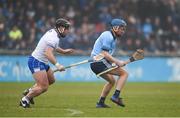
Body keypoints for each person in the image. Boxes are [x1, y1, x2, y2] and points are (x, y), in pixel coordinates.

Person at [19, 18, 74, 108]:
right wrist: (58, 65)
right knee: (44, 87)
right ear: (61, 28)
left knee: (51, 80)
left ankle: (31, 91)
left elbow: (53, 47)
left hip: (42, 62)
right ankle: (25, 99)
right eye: (67, 29)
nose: (68, 31)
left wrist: (63, 51)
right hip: (36, 62)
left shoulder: (54, 34)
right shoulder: (53, 37)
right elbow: (48, 53)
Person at [90, 18, 128, 108]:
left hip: (97, 63)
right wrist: (117, 62)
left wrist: (114, 63)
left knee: (112, 81)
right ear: (115, 28)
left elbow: (107, 55)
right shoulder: (108, 36)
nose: (123, 31)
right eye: (122, 29)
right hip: (99, 63)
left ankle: (100, 103)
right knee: (124, 74)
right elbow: (104, 53)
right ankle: (116, 96)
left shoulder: (113, 38)